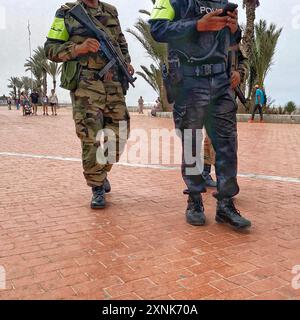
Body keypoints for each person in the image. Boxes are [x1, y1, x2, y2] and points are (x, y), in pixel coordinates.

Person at [150, 0, 251, 229]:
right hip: (189, 81)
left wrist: (235, 30)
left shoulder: (223, 4)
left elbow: (233, 44)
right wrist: (197, 25)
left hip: (221, 82)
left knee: (226, 145)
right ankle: (195, 200)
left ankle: (225, 204)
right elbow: (157, 29)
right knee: (193, 144)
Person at [45, 0, 134, 209]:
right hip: (86, 84)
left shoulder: (111, 11)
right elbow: (50, 49)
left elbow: (121, 43)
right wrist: (78, 49)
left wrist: (126, 62)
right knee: (90, 136)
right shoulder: (66, 12)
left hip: (113, 82)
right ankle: (97, 187)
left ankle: (101, 171)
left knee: (120, 132)